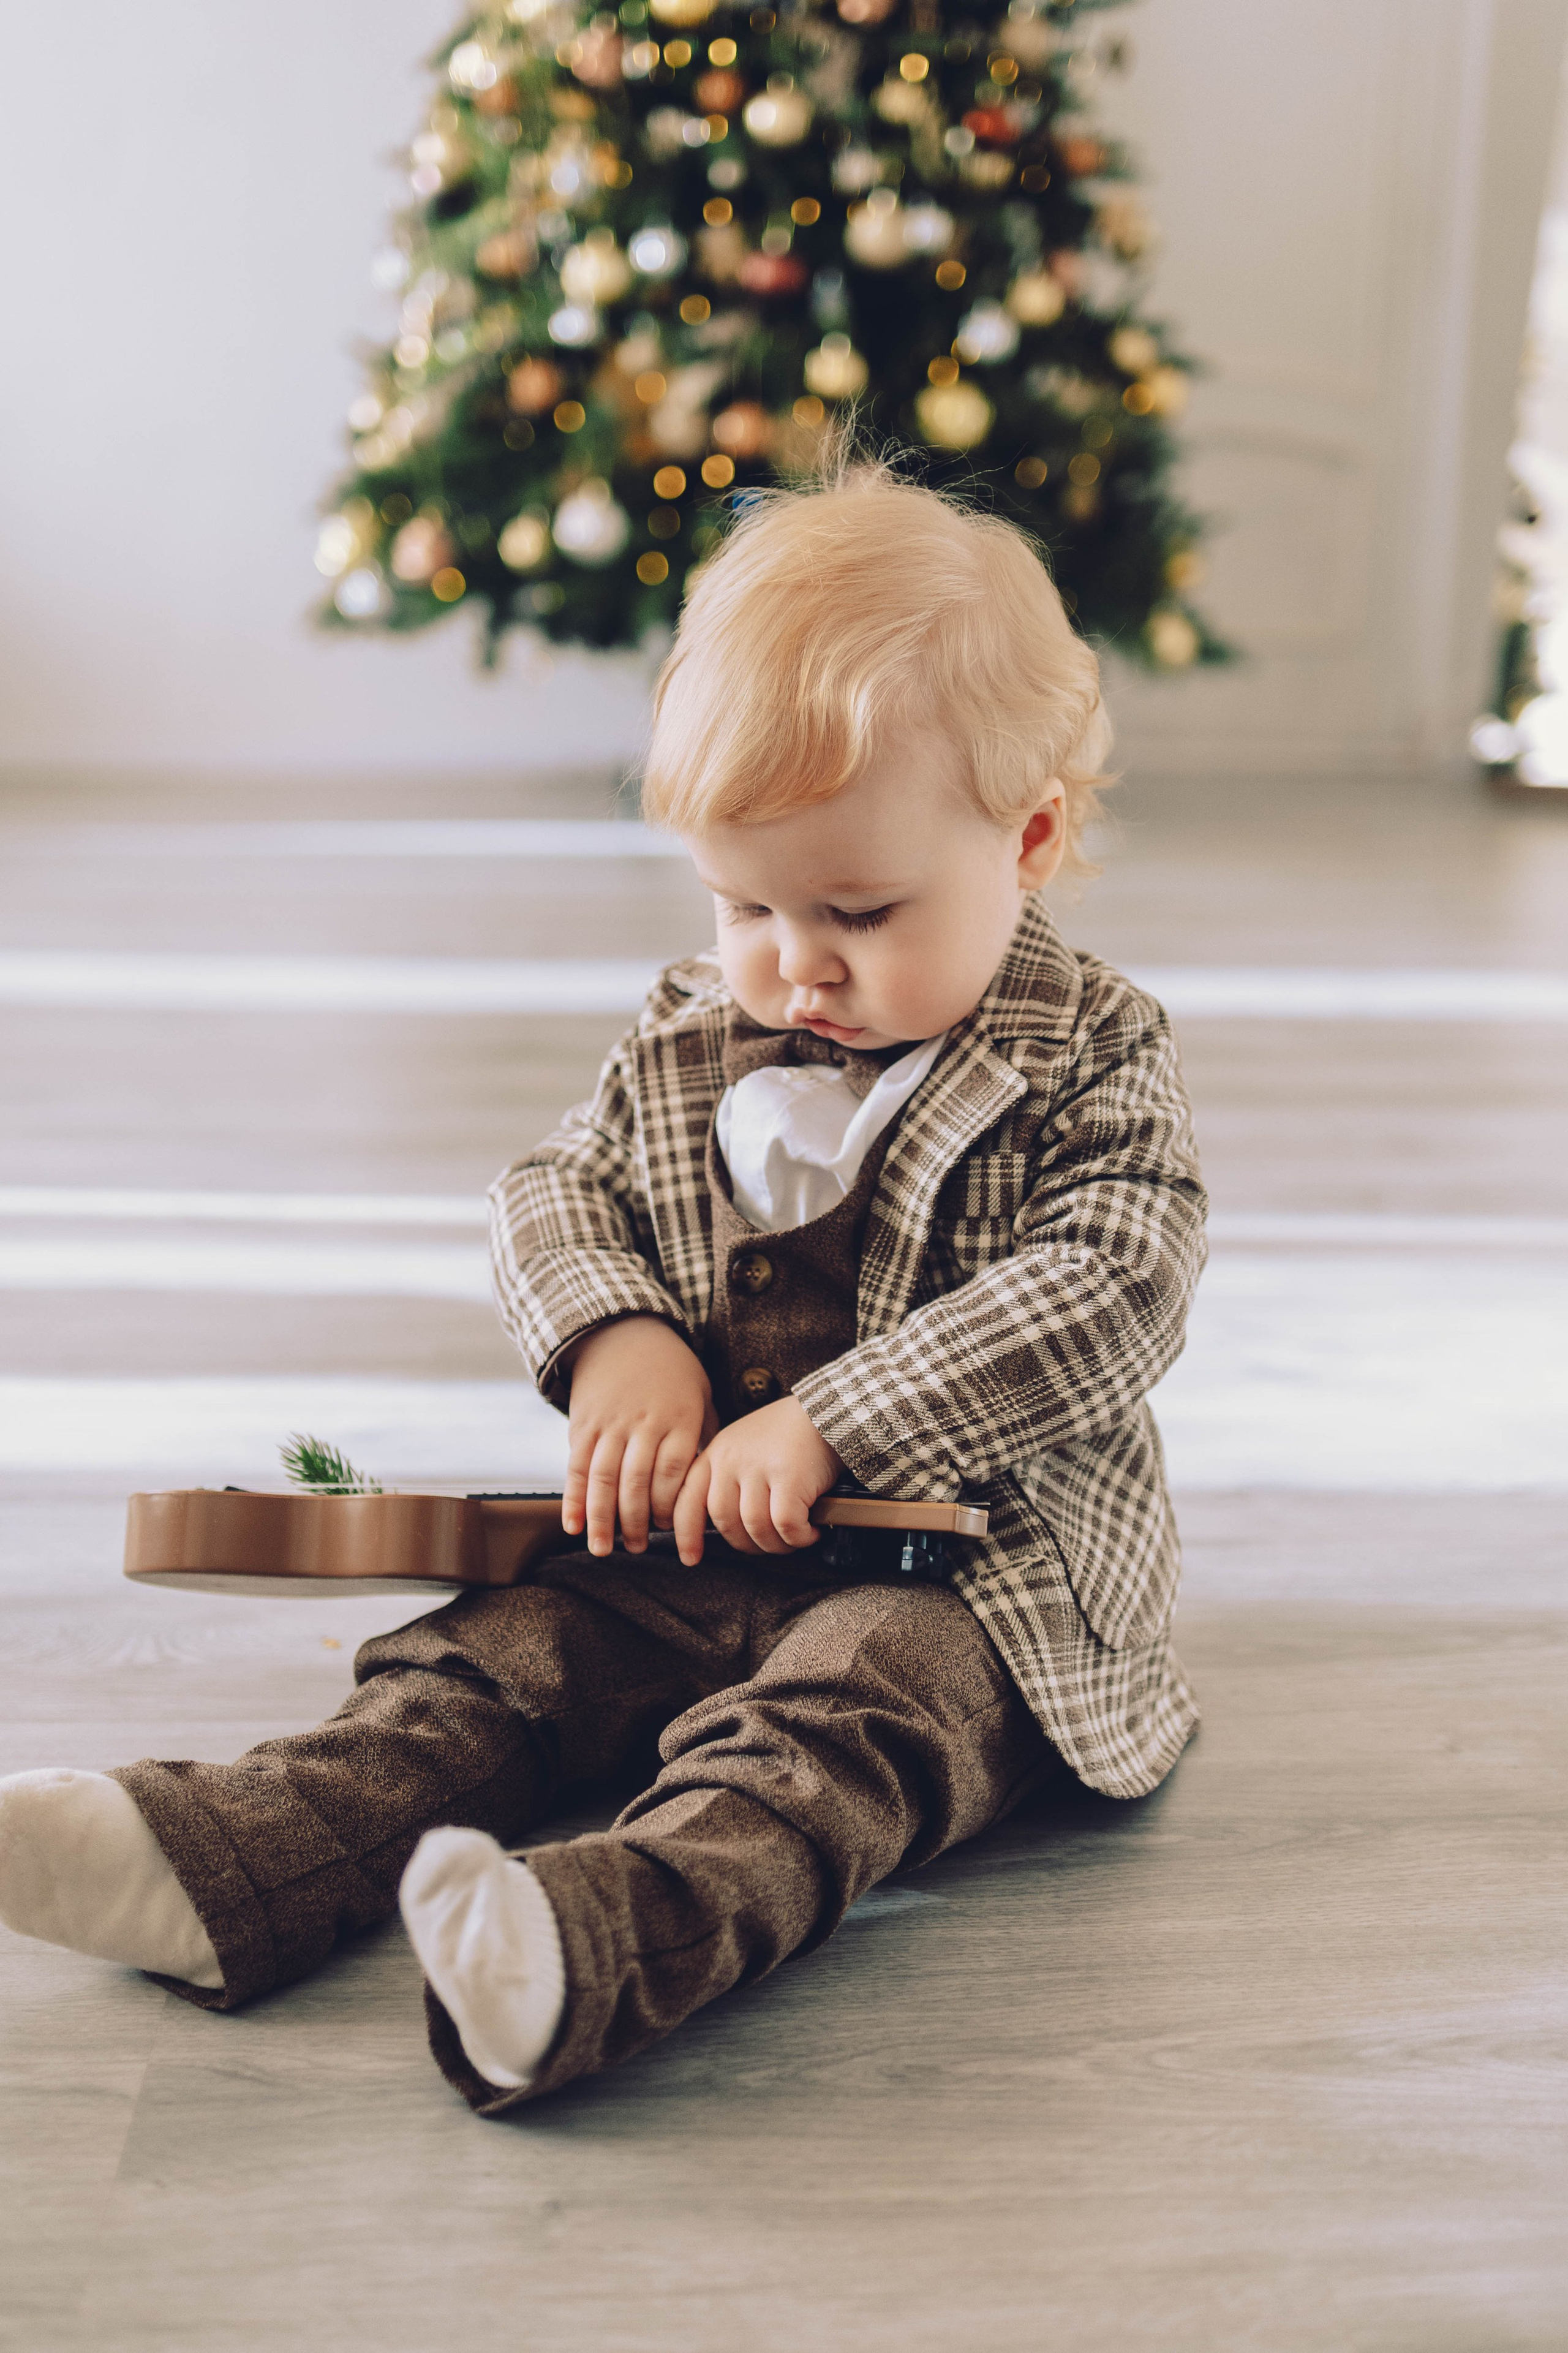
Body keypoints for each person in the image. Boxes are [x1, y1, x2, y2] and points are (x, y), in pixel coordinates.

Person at [0, 462, 1207, 2114]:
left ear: (1036, 835)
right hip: (680, 1547)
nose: (796, 961)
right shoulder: (697, 1026)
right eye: (745, 901)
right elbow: (556, 1187)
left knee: (837, 1731)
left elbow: (1113, 1279)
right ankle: (225, 1860)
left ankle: (584, 1949)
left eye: (860, 908)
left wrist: (842, 1424)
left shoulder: (1093, 1052)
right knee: (493, 1663)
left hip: (969, 1581)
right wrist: (620, 1342)